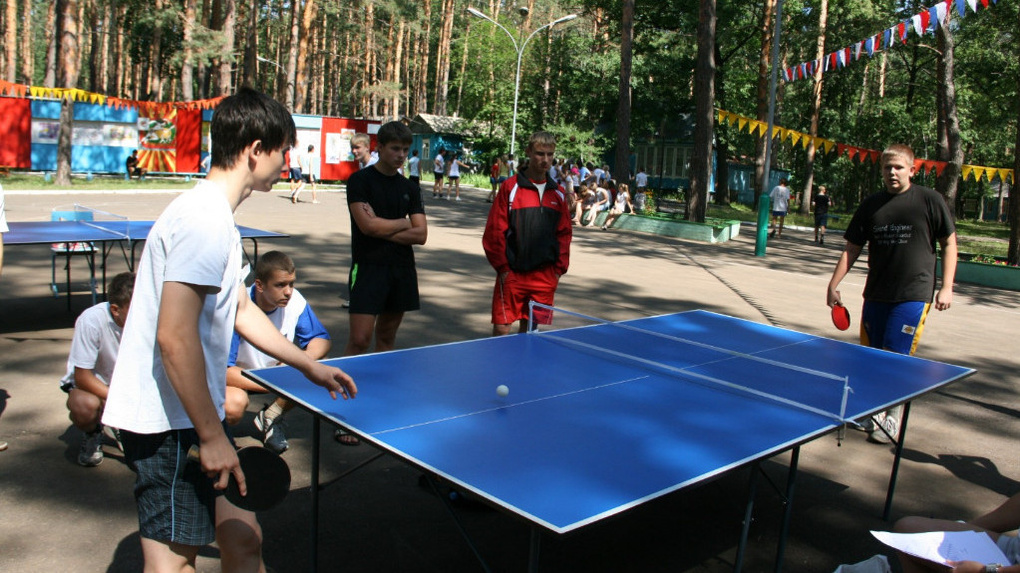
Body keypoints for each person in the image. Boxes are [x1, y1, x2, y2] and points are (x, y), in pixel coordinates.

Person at [101, 87, 356, 573]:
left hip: (188, 417)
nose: (288, 159)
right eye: (283, 148)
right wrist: (212, 434)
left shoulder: (216, 219)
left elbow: (240, 309)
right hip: (168, 423)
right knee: (174, 565)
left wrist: (307, 366)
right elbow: (173, 337)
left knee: (243, 539)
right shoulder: (204, 222)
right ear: (255, 150)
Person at [826, 144, 956, 444]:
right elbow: (852, 248)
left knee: (897, 359)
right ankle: (873, 410)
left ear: (913, 169)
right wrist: (833, 284)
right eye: (887, 167)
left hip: (913, 294)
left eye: (898, 167)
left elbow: (949, 242)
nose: (892, 172)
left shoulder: (929, 200)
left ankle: (892, 417)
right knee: (870, 356)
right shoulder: (871, 204)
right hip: (876, 294)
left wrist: (947, 287)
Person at [340, 120, 427, 445]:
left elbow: (422, 234)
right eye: (395, 149)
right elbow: (367, 228)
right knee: (360, 340)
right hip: (368, 268)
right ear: (380, 147)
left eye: (405, 150)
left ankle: (376, 406)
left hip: (401, 271)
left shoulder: (410, 187)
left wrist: (384, 224)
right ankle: (347, 411)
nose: (401, 155)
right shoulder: (360, 181)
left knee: (387, 338)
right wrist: (402, 223)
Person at [224, 251, 330, 454]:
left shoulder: (295, 301)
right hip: (238, 376)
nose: (288, 291)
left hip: (273, 374)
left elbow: (321, 340)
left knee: (319, 364)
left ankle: (272, 415)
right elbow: (225, 371)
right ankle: (218, 436)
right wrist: (273, 381)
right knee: (233, 406)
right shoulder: (237, 305)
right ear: (260, 285)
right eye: (280, 285)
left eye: (291, 283)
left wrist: (303, 361)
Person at [482, 131, 572, 336]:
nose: (545, 160)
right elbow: (494, 231)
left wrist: (558, 271)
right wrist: (503, 269)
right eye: (540, 154)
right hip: (513, 274)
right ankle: (499, 369)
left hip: (545, 277)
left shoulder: (558, 193)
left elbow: (564, 234)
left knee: (531, 330)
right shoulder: (510, 187)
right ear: (529, 152)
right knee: (502, 329)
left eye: (550, 155)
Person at [60, 272, 135, 467]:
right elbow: (82, 376)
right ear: (115, 310)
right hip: (92, 385)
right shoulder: (91, 320)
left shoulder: (149, 320)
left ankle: (121, 426)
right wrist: (119, 400)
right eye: (134, 309)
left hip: (125, 382)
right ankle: (93, 433)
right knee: (83, 406)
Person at [893, 492, 1020, 572]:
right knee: (910, 530)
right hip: (1014, 549)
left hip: (1002, 567)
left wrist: (984, 570)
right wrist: (965, 531)